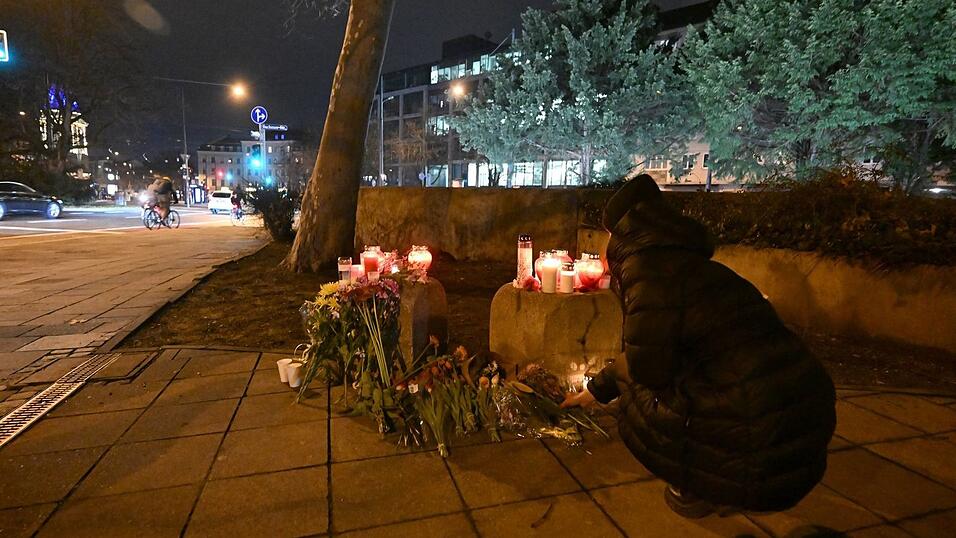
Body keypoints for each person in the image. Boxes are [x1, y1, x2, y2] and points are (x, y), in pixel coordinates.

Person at [562, 174, 835, 518]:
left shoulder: (647, 272)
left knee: (637, 395)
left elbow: (645, 368)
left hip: (759, 440)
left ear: (619, 234)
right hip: (804, 424)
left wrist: (603, 387)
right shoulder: (698, 267)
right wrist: (593, 391)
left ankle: (699, 484)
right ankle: (720, 480)